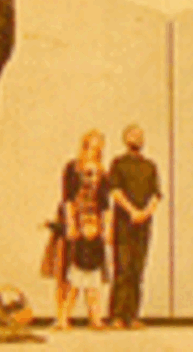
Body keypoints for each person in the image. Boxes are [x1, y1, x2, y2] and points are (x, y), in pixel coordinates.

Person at [55, 130, 112, 330]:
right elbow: (68, 198)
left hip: (93, 226)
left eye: (98, 148)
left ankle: (95, 317)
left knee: (93, 276)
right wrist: (71, 223)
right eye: (91, 146)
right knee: (70, 274)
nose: (94, 150)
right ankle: (63, 317)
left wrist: (106, 228)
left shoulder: (103, 173)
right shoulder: (72, 168)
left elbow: (105, 204)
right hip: (75, 222)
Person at [108, 125, 162, 330]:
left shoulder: (150, 166)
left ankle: (133, 315)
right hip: (124, 224)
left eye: (140, 135)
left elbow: (156, 195)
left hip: (144, 225)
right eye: (133, 134)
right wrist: (132, 211)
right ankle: (117, 316)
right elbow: (115, 191)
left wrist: (145, 213)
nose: (137, 138)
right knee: (122, 268)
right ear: (125, 139)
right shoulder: (118, 163)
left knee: (138, 270)